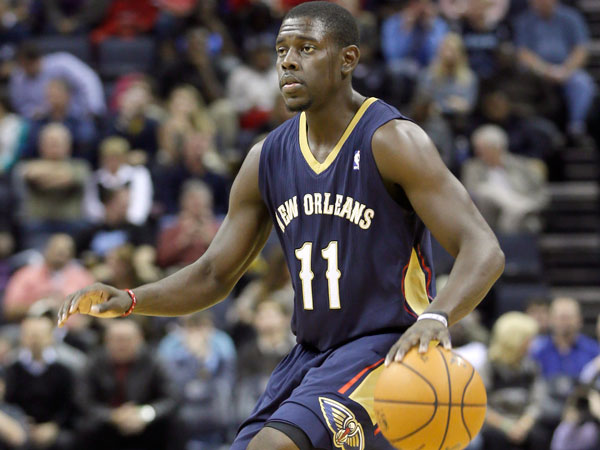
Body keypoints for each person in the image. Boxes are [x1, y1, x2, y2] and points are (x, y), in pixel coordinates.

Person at [57, 3, 505, 450]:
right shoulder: (266, 157)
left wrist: (437, 316)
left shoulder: (391, 140)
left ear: (348, 59)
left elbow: (484, 249)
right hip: (308, 356)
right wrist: (132, 299)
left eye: (306, 48)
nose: (288, 61)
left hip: (383, 348)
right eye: (282, 50)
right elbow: (213, 274)